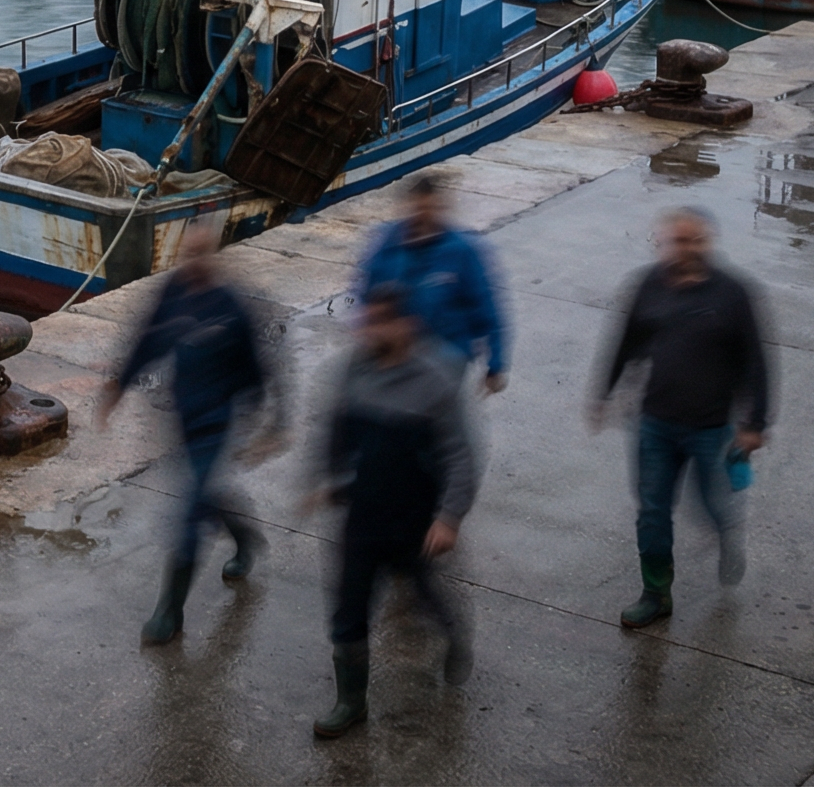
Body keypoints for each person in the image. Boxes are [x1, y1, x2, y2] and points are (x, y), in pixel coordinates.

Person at [305, 282, 477, 739]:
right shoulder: (354, 372)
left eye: (382, 321)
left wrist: (449, 517)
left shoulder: (435, 381)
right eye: (368, 321)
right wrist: (325, 480)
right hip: (361, 517)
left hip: (413, 521)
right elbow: (336, 435)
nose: (371, 330)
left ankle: (452, 630)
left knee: (421, 593)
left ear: (406, 325)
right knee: (348, 610)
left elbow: (461, 455)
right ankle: (351, 703)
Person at [589, 205, 773, 628]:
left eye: (694, 241)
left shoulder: (732, 293)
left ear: (707, 243)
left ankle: (727, 531)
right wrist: (603, 393)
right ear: (665, 242)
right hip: (655, 423)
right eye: (677, 240)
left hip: (711, 428)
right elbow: (625, 341)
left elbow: (756, 362)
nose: (685, 249)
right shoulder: (648, 285)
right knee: (652, 510)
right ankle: (655, 593)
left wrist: (755, 424)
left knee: (710, 504)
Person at [102, 222, 284, 646]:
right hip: (182, 416)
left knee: (188, 514)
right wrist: (118, 387)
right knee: (205, 495)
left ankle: (170, 611)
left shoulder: (232, 307)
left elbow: (261, 370)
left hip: (218, 423)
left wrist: (272, 426)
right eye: (188, 256)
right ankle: (245, 538)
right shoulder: (174, 293)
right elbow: (147, 341)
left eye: (201, 255)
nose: (193, 264)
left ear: (213, 256)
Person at [353, 171, 510, 395]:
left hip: (447, 359)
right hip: (398, 355)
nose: (422, 219)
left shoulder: (462, 252)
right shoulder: (385, 245)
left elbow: (487, 309)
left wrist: (495, 365)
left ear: (441, 210)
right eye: (417, 211)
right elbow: (360, 292)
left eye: (429, 211)